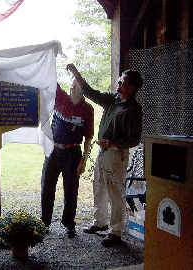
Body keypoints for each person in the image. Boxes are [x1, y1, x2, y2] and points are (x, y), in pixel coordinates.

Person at [67, 63, 143, 247]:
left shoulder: (134, 109)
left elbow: (134, 139)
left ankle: (116, 232)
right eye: (119, 82)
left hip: (117, 155)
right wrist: (76, 73)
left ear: (132, 87)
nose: (118, 85)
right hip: (103, 152)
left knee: (115, 192)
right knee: (99, 186)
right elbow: (91, 93)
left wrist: (114, 143)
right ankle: (100, 223)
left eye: (122, 83)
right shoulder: (113, 100)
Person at [41, 81, 94, 238]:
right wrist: (50, 55)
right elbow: (48, 75)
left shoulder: (87, 109)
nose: (72, 87)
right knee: (47, 187)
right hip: (53, 150)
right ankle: (44, 222)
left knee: (71, 190)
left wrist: (83, 160)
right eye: (71, 85)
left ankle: (69, 223)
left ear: (83, 89)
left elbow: (89, 137)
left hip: (73, 153)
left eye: (76, 86)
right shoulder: (61, 97)